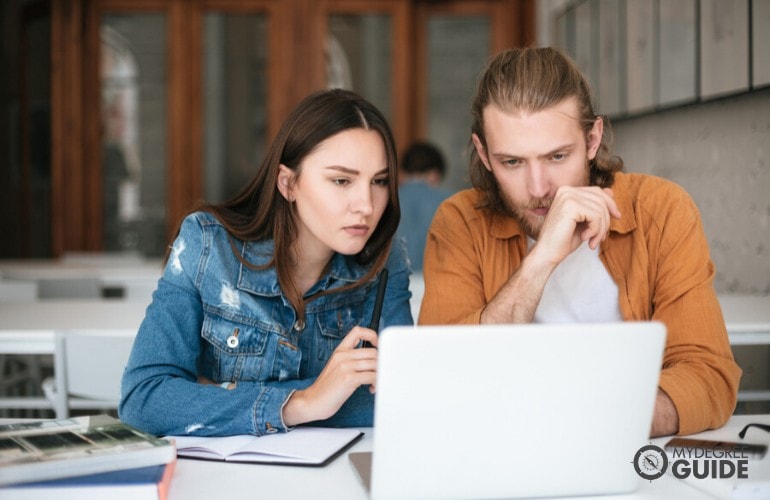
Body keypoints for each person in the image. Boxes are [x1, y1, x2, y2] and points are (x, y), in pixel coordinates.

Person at [419, 47, 741, 437]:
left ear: (592, 140)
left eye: (557, 156)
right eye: (513, 162)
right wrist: (542, 260)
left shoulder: (662, 210)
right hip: (502, 454)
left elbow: (709, 377)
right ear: (484, 155)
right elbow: (438, 380)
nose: (539, 189)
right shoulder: (460, 223)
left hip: (627, 451)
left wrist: (595, 425)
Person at [120, 89, 413, 437]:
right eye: (341, 181)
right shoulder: (207, 246)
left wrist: (217, 391)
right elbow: (143, 399)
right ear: (288, 183)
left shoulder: (384, 262)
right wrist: (303, 401)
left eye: (379, 181)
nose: (366, 205)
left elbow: (400, 396)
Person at [396, 141, 452, 271]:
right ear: (435, 174)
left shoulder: (383, 200)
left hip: (390, 285)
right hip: (436, 283)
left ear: (402, 173)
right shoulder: (452, 202)